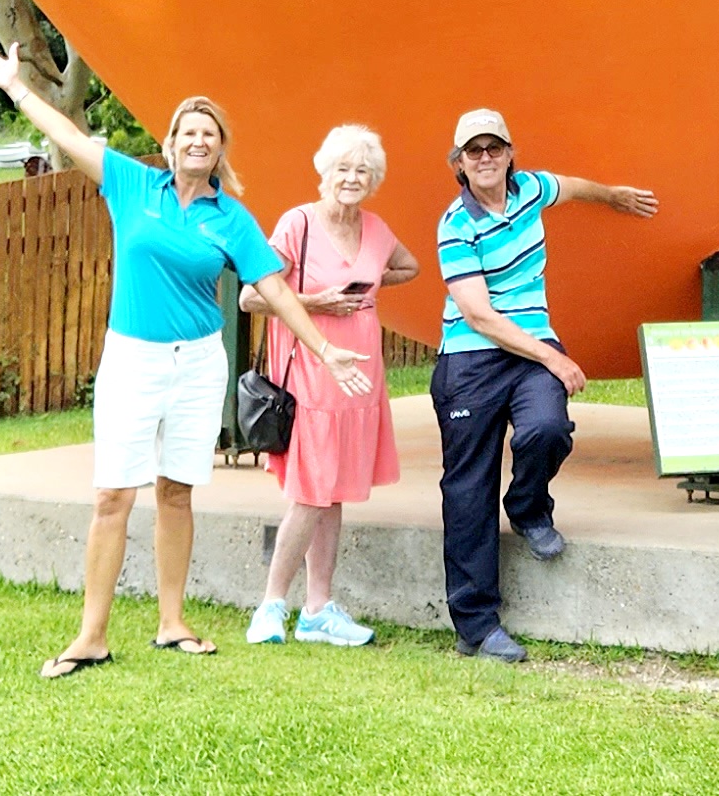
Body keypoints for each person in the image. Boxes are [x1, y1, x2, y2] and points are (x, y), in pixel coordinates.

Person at [0, 40, 372, 678]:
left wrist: (325, 351)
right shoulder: (132, 185)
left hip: (198, 363)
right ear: (170, 142)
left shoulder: (230, 217)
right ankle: (91, 636)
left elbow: (274, 290)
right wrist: (15, 87)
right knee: (112, 495)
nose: (197, 142)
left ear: (218, 149)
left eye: (208, 135)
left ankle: (172, 623)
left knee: (176, 491)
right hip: (133, 357)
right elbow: (68, 134)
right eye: (188, 131)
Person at [431, 105, 657, 663]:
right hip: (470, 359)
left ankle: (529, 506)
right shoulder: (454, 225)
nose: (485, 158)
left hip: (530, 347)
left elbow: (573, 186)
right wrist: (554, 359)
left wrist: (613, 196)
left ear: (510, 154)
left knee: (548, 429)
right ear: (458, 164)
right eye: (473, 152)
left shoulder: (531, 188)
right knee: (467, 490)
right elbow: (479, 316)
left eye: (494, 148)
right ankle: (477, 626)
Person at [241, 123, 420, 650]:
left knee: (334, 492)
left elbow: (409, 266)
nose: (351, 178)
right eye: (342, 168)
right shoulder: (298, 223)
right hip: (313, 377)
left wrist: (371, 285)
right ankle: (271, 606)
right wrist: (319, 301)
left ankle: (318, 608)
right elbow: (253, 297)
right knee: (312, 492)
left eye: (362, 170)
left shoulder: (377, 228)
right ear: (324, 172)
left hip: (360, 379)